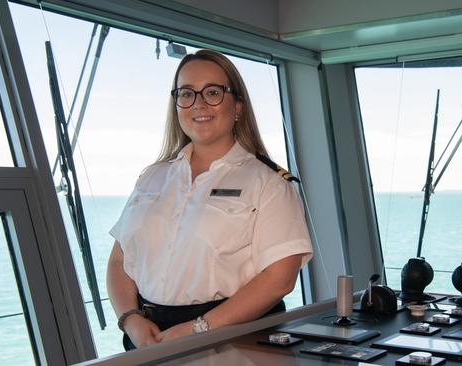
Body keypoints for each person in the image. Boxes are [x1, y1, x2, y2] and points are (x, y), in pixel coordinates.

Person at [106, 49, 313, 350]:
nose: (199, 104)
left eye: (213, 92)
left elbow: (279, 278)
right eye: (186, 94)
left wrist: (200, 328)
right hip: (148, 339)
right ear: (176, 105)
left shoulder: (268, 183)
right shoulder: (151, 177)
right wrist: (131, 319)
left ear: (238, 105)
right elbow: (119, 260)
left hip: (233, 339)